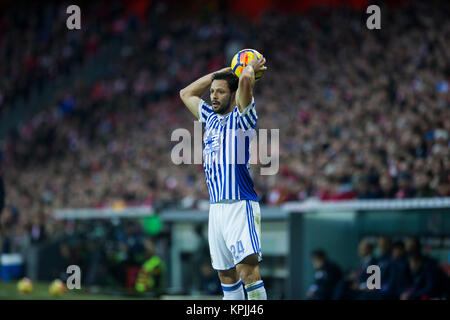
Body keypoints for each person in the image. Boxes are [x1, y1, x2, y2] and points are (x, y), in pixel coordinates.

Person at [180, 55, 268, 300]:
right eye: (212, 92)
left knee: (248, 271)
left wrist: (245, 68)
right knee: (226, 277)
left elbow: (247, 79)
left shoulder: (243, 118)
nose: (213, 96)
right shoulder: (209, 119)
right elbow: (186, 93)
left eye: (220, 91)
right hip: (216, 209)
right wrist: (220, 72)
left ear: (233, 94)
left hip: (240, 204)